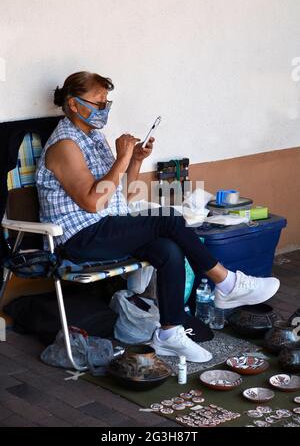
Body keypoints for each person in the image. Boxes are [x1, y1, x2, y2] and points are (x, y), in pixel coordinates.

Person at [35, 71, 280, 363]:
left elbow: (119, 198)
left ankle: (169, 332)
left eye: (107, 102)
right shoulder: (65, 145)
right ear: (73, 105)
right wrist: (122, 159)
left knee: (168, 249)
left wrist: (134, 161)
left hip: (107, 227)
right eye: (98, 103)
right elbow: (91, 202)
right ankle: (226, 283)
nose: (105, 109)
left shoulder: (92, 138)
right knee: (168, 219)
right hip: (80, 238)